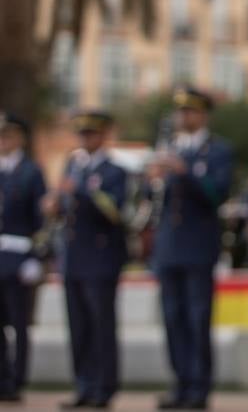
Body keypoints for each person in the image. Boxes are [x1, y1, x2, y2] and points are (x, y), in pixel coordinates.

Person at [147, 87, 233, 411]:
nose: (184, 117)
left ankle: (199, 387)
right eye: (180, 112)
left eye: (191, 111)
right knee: (173, 319)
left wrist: (184, 172)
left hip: (198, 247)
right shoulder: (168, 148)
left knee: (198, 319)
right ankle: (180, 384)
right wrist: (152, 179)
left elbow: (218, 194)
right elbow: (154, 199)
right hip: (168, 246)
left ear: (203, 115)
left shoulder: (217, 151)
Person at [47, 110, 127, 410]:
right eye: (82, 134)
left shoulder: (114, 170)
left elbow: (115, 212)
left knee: (101, 326)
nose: (86, 139)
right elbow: (67, 210)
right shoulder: (73, 165)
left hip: (101, 258)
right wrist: (54, 204)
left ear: (103, 135)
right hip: (73, 258)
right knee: (78, 326)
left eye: (91, 134)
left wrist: (80, 190)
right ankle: (83, 384)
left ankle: (104, 387)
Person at [0, 115, 46, 403]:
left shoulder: (31, 172)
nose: (3, 141)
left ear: (20, 139)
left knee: (19, 324)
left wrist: (35, 257)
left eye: (8, 135)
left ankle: (17, 381)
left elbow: (41, 220)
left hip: (19, 256)